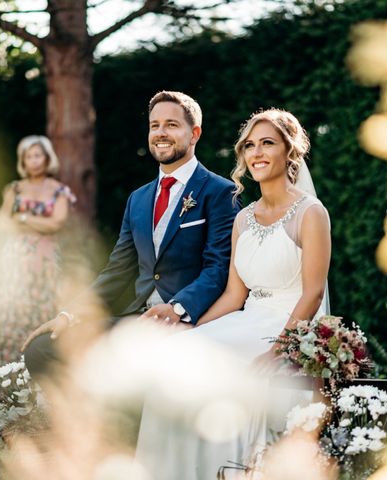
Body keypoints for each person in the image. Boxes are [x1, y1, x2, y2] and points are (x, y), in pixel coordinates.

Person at [135, 108, 332, 479]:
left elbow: (312, 294)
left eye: (268, 144)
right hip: (247, 318)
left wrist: (278, 351)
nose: (256, 153)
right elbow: (232, 294)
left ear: (289, 152)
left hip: (288, 326)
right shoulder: (244, 217)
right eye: (250, 145)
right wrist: (193, 329)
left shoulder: (311, 213)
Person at [22, 90, 241, 382]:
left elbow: (217, 268)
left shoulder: (220, 192)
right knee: (41, 349)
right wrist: (68, 315)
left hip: (190, 323)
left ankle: (124, 420)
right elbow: (116, 270)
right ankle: (84, 421)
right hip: (136, 320)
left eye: (172, 125)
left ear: (194, 134)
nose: (161, 133)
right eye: (154, 125)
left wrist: (177, 310)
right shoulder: (137, 200)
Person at [0, 135, 76, 393]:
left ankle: (39, 381)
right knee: (11, 313)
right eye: (29, 156)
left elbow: (57, 222)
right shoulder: (14, 188)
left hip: (45, 259)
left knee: (41, 311)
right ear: (23, 161)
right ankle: (4, 384)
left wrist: (22, 217)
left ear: (47, 158)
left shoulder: (59, 190)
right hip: (15, 259)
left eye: (38, 155)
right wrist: (37, 221)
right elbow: (3, 223)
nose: (34, 161)